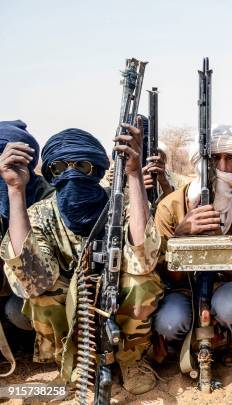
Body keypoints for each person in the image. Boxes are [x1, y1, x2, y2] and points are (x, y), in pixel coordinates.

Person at [0, 124, 163, 394]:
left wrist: (133, 175)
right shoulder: (40, 214)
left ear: (97, 170)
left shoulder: (118, 203)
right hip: (69, 304)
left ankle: (131, 359)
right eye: (60, 168)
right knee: (41, 295)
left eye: (83, 166)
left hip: (117, 298)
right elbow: (32, 282)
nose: (71, 174)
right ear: (50, 174)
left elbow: (143, 260)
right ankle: (73, 362)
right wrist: (15, 191)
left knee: (142, 283)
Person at [153, 125, 232, 366]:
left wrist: (220, 247)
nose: (222, 167)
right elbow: (158, 270)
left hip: (227, 284)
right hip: (182, 288)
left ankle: (225, 340)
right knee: (169, 323)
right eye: (214, 159)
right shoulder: (170, 206)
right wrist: (181, 238)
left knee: (230, 307)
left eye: (229, 158)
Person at [0, 120, 55, 376]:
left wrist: (16, 191)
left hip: (29, 291)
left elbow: (34, 277)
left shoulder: (46, 197)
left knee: (17, 311)